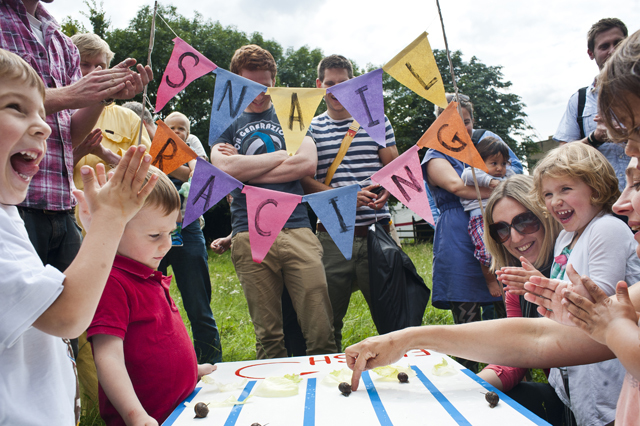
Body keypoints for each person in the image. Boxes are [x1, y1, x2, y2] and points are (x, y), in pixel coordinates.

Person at [346, 29, 640, 426]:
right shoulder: (563, 247)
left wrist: (601, 321)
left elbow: (576, 337)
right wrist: (408, 339)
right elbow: (537, 341)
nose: (516, 237)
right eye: (501, 230)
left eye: (635, 135)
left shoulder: (603, 231)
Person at [0, 47, 158, 425]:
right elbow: (65, 315)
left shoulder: (7, 214)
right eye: (16, 108)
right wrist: (110, 220)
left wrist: (95, 230)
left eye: (41, 112)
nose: (44, 126)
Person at [210, 45, 336, 359]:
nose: (260, 93)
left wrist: (245, 173)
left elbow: (306, 165)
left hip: (297, 229)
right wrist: (281, 156)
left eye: (266, 85)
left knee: (321, 330)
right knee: (268, 338)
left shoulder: (292, 116)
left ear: (275, 81)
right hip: (247, 232)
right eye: (251, 85)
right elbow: (224, 169)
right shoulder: (226, 121)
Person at [87, 168, 215, 426]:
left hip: (178, 409)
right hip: (148, 417)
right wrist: (135, 416)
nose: (167, 244)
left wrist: (191, 372)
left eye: (171, 232)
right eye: (155, 235)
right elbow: (107, 357)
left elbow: (160, 340)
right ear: (114, 227)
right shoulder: (112, 282)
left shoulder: (146, 273)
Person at [69, 32, 154, 409]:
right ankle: (96, 405)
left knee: (128, 319)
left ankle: (141, 390)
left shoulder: (126, 115)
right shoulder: (57, 112)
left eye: (99, 65)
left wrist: (103, 151)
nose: (92, 71)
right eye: (84, 65)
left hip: (127, 233)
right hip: (74, 231)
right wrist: (74, 153)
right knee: (83, 323)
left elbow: (152, 172)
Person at [300, 54, 399, 352]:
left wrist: (386, 189)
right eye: (330, 84)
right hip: (329, 236)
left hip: (377, 234)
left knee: (393, 319)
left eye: (344, 84)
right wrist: (345, 199)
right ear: (319, 86)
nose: (336, 90)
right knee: (327, 325)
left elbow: (394, 170)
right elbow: (303, 180)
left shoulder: (377, 121)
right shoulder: (309, 128)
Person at [421, 95, 501, 372]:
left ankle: (507, 377)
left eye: (465, 121)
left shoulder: (489, 150)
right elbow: (456, 187)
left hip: (495, 230)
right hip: (457, 236)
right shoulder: (435, 155)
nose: (460, 127)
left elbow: (515, 171)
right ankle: (468, 378)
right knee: (467, 321)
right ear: (438, 124)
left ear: (473, 121)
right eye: (451, 121)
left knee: (506, 311)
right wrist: (504, 188)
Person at [476, 175, 564, 425]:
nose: (514, 238)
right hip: (564, 397)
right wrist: (469, 386)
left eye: (524, 221)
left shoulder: (574, 259)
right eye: (501, 229)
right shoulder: (514, 283)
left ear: (545, 214)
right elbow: (517, 355)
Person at [158, 111, 222, 364]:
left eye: (182, 128)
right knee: (155, 301)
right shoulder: (151, 140)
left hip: (188, 225)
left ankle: (211, 361)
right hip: (152, 227)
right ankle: (166, 361)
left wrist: (173, 165)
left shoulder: (192, 142)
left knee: (198, 302)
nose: (176, 132)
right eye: (171, 128)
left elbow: (199, 174)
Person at [554, 18, 629, 193]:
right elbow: (562, 157)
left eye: (618, 43)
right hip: (603, 201)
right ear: (591, 53)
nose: (613, 50)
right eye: (604, 46)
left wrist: (629, 135)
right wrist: (595, 138)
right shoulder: (578, 100)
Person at [459, 136, 514, 298]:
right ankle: (490, 280)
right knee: (485, 251)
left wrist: (507, 174)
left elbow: (515, 178)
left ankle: (507, 279)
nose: (499, 168)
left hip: (501, 219)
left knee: (506, 249)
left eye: (503, 163)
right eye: (494, 163)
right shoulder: (474, 174)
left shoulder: (505, 176)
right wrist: (492, 182)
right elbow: (466, 176)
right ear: (480, 162)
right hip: (479, 219)